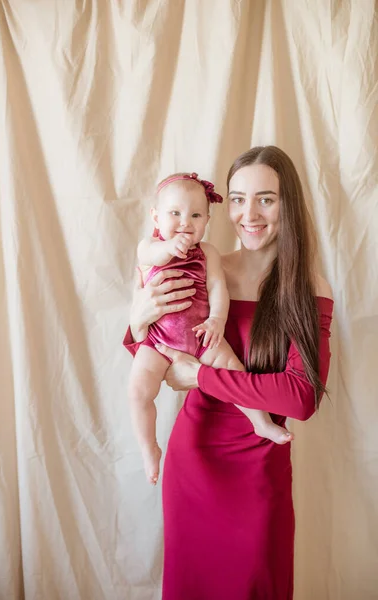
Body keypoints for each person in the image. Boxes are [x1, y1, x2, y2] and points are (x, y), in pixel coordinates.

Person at [123, 146, 334, 600]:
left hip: (260, 464)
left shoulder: (307, 288)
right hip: (193, 457)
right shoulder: (202, 264)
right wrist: (137, 318)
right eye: (237, 199)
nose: (249, 213)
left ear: (288, 205)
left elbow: (300, 398)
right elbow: (160, 348)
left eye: (266, 199)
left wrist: (199, 377)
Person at [128, 172, 293, 485]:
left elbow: (218, 287)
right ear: (155, 216)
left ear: (207, 220)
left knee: (235, 367)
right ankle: (149, 448)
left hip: (202, 335)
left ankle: (260, 421)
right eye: (174, 214)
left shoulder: (209, 253)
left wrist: (217, 320)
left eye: (195, 215)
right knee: (138, 391)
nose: (184, 223)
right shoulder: (149, 246)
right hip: (161, 341)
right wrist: (171, 246)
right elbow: (153, 256)